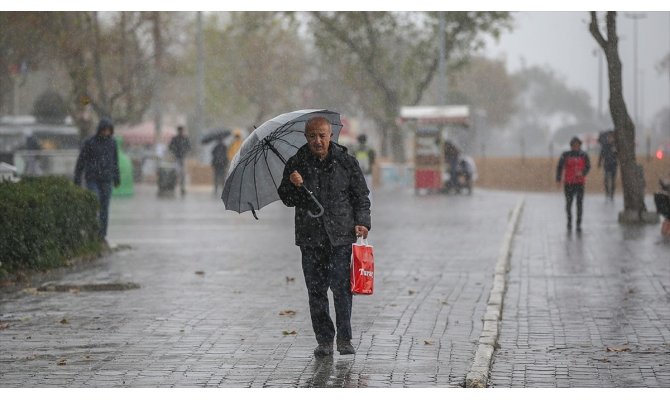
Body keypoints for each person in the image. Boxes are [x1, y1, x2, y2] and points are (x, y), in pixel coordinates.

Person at [277, 116, 371, 357]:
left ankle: (345, 338)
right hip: (310, 238)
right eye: (312, 136)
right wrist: (292, 184)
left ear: (331, 135)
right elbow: (287, 199)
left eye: (322, 135)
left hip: (341, 236)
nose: (317, 141)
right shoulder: (296, 163)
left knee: (341, 289)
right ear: (306, 137)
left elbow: (361, 195)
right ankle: (325, 340)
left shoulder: (346, 162)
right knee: (316, 291)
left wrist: (362, 222)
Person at [74, 117, 120, 240]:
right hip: (92, 178)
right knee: (95, 202)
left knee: (105, 207)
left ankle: (102, 234)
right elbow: (81, 161)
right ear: (100, 130)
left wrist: (116, 177)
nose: (106, 133)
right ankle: (92, 231)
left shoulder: (112, 143)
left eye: (109, 130)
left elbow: (115, 161)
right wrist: (77, 178)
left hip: (106, 179)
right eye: (104, 130)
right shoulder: (90, 142)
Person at [556, 136, 591, 232]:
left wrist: (583, 172)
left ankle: (578, 223)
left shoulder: (584, 155)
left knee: (579, 204)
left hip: (579, 183)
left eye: (577, 145)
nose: (575, 147)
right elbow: (559, 167)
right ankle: (569, 222)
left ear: (580, 145)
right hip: (569, 183)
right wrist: (558, 179)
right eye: (573, 145)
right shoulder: (566, 155)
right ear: (571, 146)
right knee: (568, 204)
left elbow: (588, 166)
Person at [169, 126, 191, 196]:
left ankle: (182, 187)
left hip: (182, 158)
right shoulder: (175, 139)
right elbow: (170, 147)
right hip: (177, 158)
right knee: (176, 173)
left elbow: (189, 147)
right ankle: (174, 186)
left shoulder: (185, 139)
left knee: (182, 174)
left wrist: (184, 151)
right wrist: (175, 151)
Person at [597, 130, 618, 200]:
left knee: (613, 180)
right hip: (606, 165)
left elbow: (618, 155)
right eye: (609, 137)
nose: (610, 138)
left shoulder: (615, 145)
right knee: (606, 180)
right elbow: (601, 154)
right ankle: (607, 193)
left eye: (612, 137)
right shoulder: (605, 145)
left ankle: (612, 194)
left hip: (614, 165)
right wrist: (599, 163)